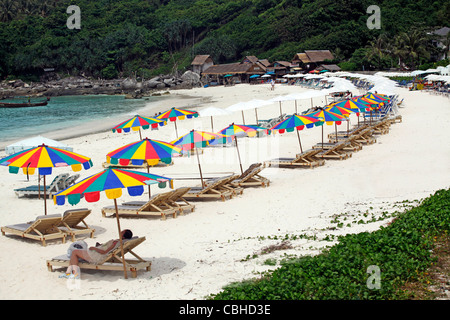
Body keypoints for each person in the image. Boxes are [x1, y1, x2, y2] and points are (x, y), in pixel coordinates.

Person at [59, 229, 133, 279]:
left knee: (74, 252)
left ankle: (74, 274)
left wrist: (94, 248)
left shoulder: (116, 243)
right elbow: (106, 250)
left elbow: (104, 252)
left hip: (96, 256)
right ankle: (68, 273)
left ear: (123, 236)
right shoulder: (118, 242)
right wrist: (100, 246)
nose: (120, 231)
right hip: (97, 253)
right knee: (76, 253)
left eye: (122, 232)